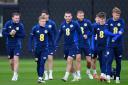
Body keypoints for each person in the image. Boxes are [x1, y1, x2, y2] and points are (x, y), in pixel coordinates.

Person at [55, 11, 83, 82]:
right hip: (66, 46)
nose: (68, 18)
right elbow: (59, 35)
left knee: (69, 60)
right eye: (66, 16)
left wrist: (79, 43)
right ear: (64, 17)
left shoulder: (75, 24)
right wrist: (55, 43)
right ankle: (75, 76)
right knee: (69, 63)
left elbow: (80, 34)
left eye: (69, 16)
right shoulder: (62, 25)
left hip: (73, 45)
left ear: (71, 17)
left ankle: (65, 77)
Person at [28, 16, 54, 83]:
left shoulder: (47, 28)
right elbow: (31, 38)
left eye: (44, 21)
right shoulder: (35, 28)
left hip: (45, 49)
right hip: (37, 49)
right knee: (38, 64)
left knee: (42, 62)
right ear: (39, 21)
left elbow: (52, 38)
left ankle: (40, 78)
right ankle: (40, 77)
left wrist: (53, 46)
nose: (43, 23)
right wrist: (30, 47)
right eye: (42, 21)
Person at [2, 12, 25, 81]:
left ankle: (15, 75)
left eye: (18, 18)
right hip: (9, 45)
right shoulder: (8, 23)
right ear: (12, 18)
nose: (17, 19)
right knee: (11, 62)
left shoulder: (20, 25)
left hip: (17, 45)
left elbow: (23, 35)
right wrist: (10, 33)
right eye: (16, 18)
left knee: (16, 59)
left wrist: (15, 33)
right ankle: (14, 73)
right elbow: (3, 33)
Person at [107, 7, 125, 84]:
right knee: (109, 60)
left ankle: (117, 77)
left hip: (119, 45)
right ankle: (108, 76)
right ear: (112, 14)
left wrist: (115, 37)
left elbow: (121, 31)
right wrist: (113, 35)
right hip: (110, 45)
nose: (117, 16)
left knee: (118, 62)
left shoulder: (121, 21)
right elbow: (105, 31)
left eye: (118, 15)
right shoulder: (109, 21)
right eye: (116, 14)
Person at [76, 10, 93, 80]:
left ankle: (88, 72)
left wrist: (87, 35)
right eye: (80, 15)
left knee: (89, 61)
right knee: (78, 59)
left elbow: (92, 31)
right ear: (77, 16)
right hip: (78, 44)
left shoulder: (87, 22)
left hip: (86, 44)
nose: (81, 17)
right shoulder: (75, 23)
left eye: (82, 15)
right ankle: (79, 74)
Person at [41, 10, 57, 80]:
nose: (43, 16)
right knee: (43, 59)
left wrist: (54, 43)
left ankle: (50, 74)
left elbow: (55, 34)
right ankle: (45, 74)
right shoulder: (41, 23)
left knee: (50, 58)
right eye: (42, 15)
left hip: (50, 44)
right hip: (42, 44)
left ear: (48, 15)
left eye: (44, 15)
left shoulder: (52, 23)